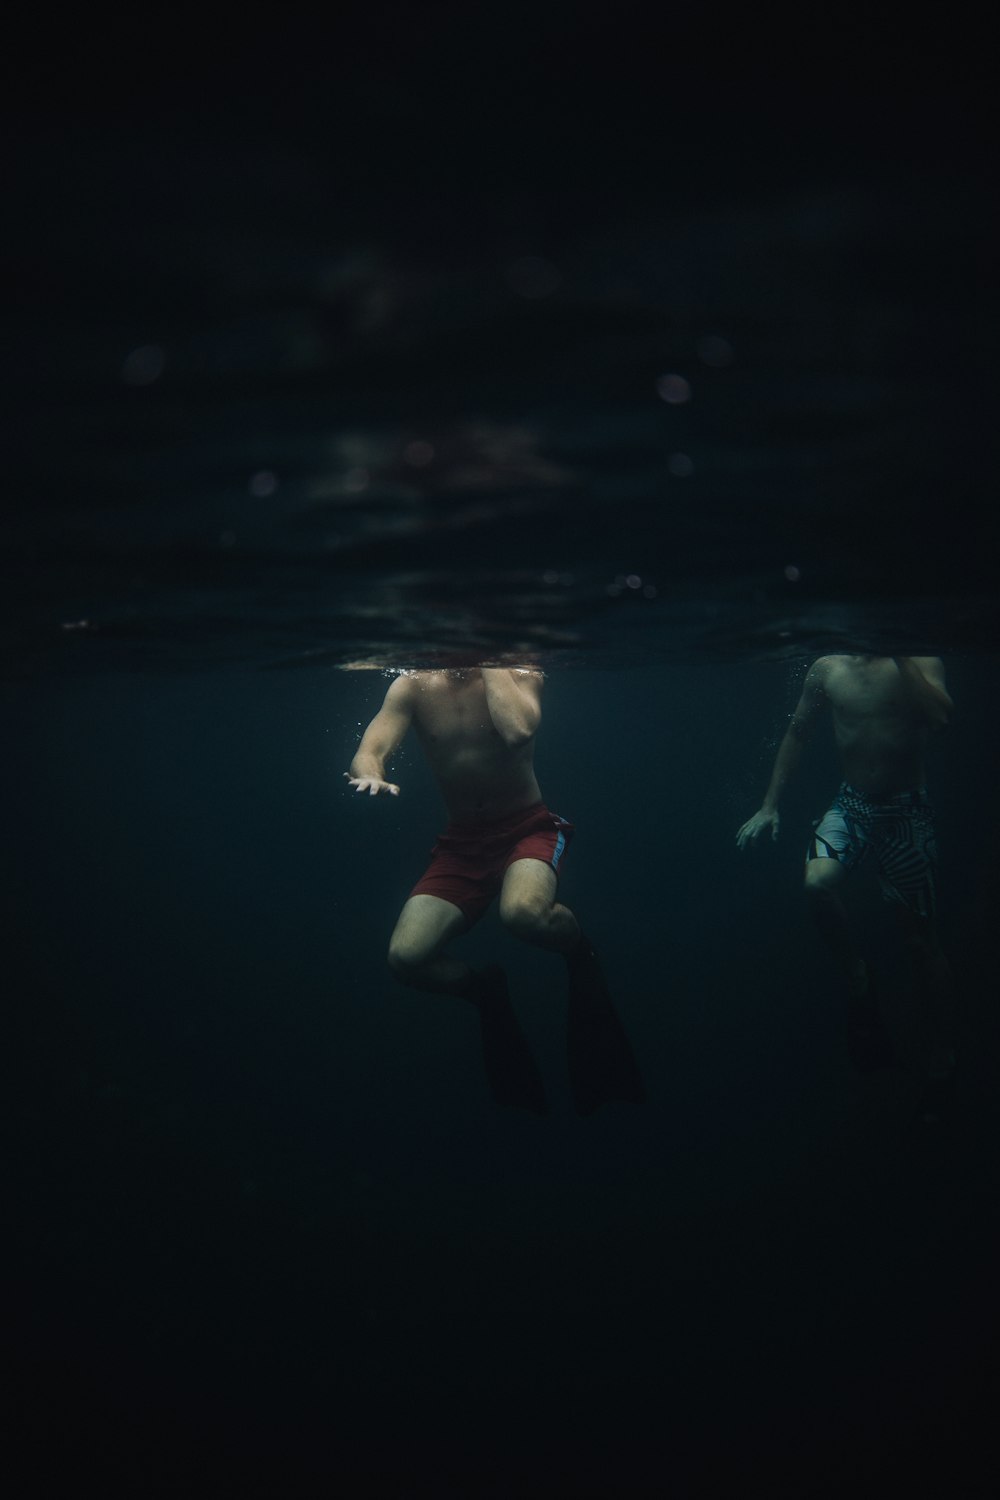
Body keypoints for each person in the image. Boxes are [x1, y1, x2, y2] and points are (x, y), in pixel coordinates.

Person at [344, 666, 643, 1116]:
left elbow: (519, 731)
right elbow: (370, 750)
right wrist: (372, 773)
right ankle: (485, 991)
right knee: (407, 959)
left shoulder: (519, 671)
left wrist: (489, 660)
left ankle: (578, 948)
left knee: (523, 914)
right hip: (462, 845)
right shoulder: (411, 685)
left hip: (528, 827)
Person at [736, 654, 956, 1120]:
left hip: (907, 812)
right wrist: (769, 806)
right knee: (817, 884)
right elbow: (797, 733)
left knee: (920, 945)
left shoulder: (920, 660)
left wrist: (901, 656)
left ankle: (941, 1058)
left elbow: (940, 717)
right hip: (852, 806)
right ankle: (859, 977)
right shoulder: (827, 669)